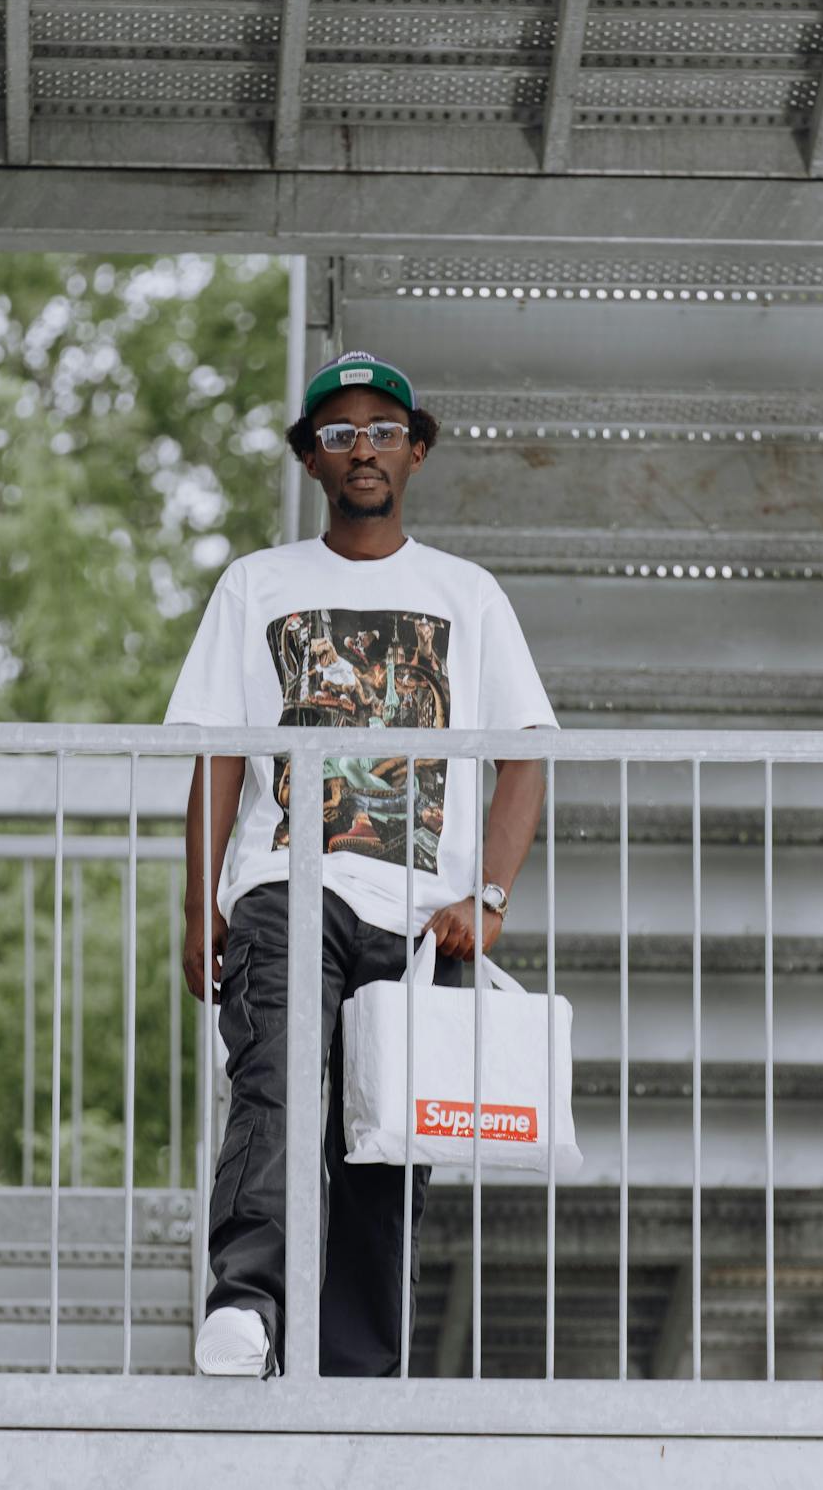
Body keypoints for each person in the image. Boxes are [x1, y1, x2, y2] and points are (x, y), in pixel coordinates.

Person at [165, 348, 557, 1377]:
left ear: (416, 450)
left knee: (389, 1137)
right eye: (338, 434)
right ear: (312, 461)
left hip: (423, 914)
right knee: (276, 1091)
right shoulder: (257, 585)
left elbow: (526, 753)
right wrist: (199, 899)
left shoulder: (466, 595)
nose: (363, 448)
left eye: (383, 429)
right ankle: (245, 1307)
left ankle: (356, 1364)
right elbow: (215, 756)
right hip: (283, 884)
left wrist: (493, 894)